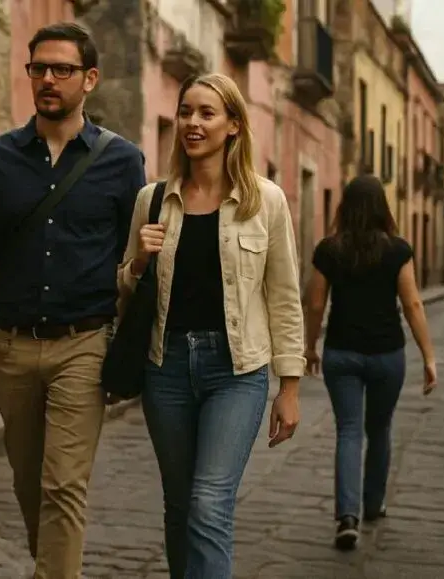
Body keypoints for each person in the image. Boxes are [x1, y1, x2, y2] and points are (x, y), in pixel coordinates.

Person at [0, 21, 146, 578]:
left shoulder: (123, 161)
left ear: (90, 79)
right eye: (39, 68)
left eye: (63, 69)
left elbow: (133, 261)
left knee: (63, 485)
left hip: (84, 342)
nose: (49, 79)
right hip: (11, 346)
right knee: (29, 481)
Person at [116, 73, 304, 578]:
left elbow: (284, 295)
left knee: (208, 503)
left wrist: (289, 386)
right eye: (185, 112)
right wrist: (138, 262)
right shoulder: (152, 199)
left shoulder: (265, 201)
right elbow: (124, 290)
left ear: (234, 125)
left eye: (206, 113)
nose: (192, 123)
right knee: (180, 505)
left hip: (237, 371)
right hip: (166, 368)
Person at [303, 174, 438, 551]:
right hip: (387, 355)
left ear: (344, 206)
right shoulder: (398, 250)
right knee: (379, 429)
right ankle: (374, 503)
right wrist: (428, 357)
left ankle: (348, 516)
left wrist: (310, 347)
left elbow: (315, 303)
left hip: (342, 353)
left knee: (348, 430)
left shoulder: (329, 249)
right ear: (383, 207)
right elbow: (412, 304)